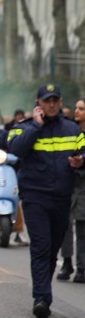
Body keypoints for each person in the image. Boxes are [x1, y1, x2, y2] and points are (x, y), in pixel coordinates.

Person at [8, 85, 85, 318]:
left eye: (55, 101)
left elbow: (84, 151)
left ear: (60, 102)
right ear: (38, 102)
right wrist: (36, 126)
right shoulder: (24, 126)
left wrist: (80, 161)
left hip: (62, 198)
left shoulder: (73, 128)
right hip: (35, 197)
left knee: (52, 249)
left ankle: (43, 294)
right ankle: (41, 298)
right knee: (41, 247)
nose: (51, 105)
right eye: (46, 101)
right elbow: (15, 149)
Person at [69, 98, 85, 283]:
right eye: (76, 108)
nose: (77, 111)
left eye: (81, 108)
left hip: (82, 187)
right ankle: (66, 262)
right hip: (69, 184)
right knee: (65, 226)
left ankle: (81, 269)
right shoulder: (71, 131)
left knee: (81, 229)